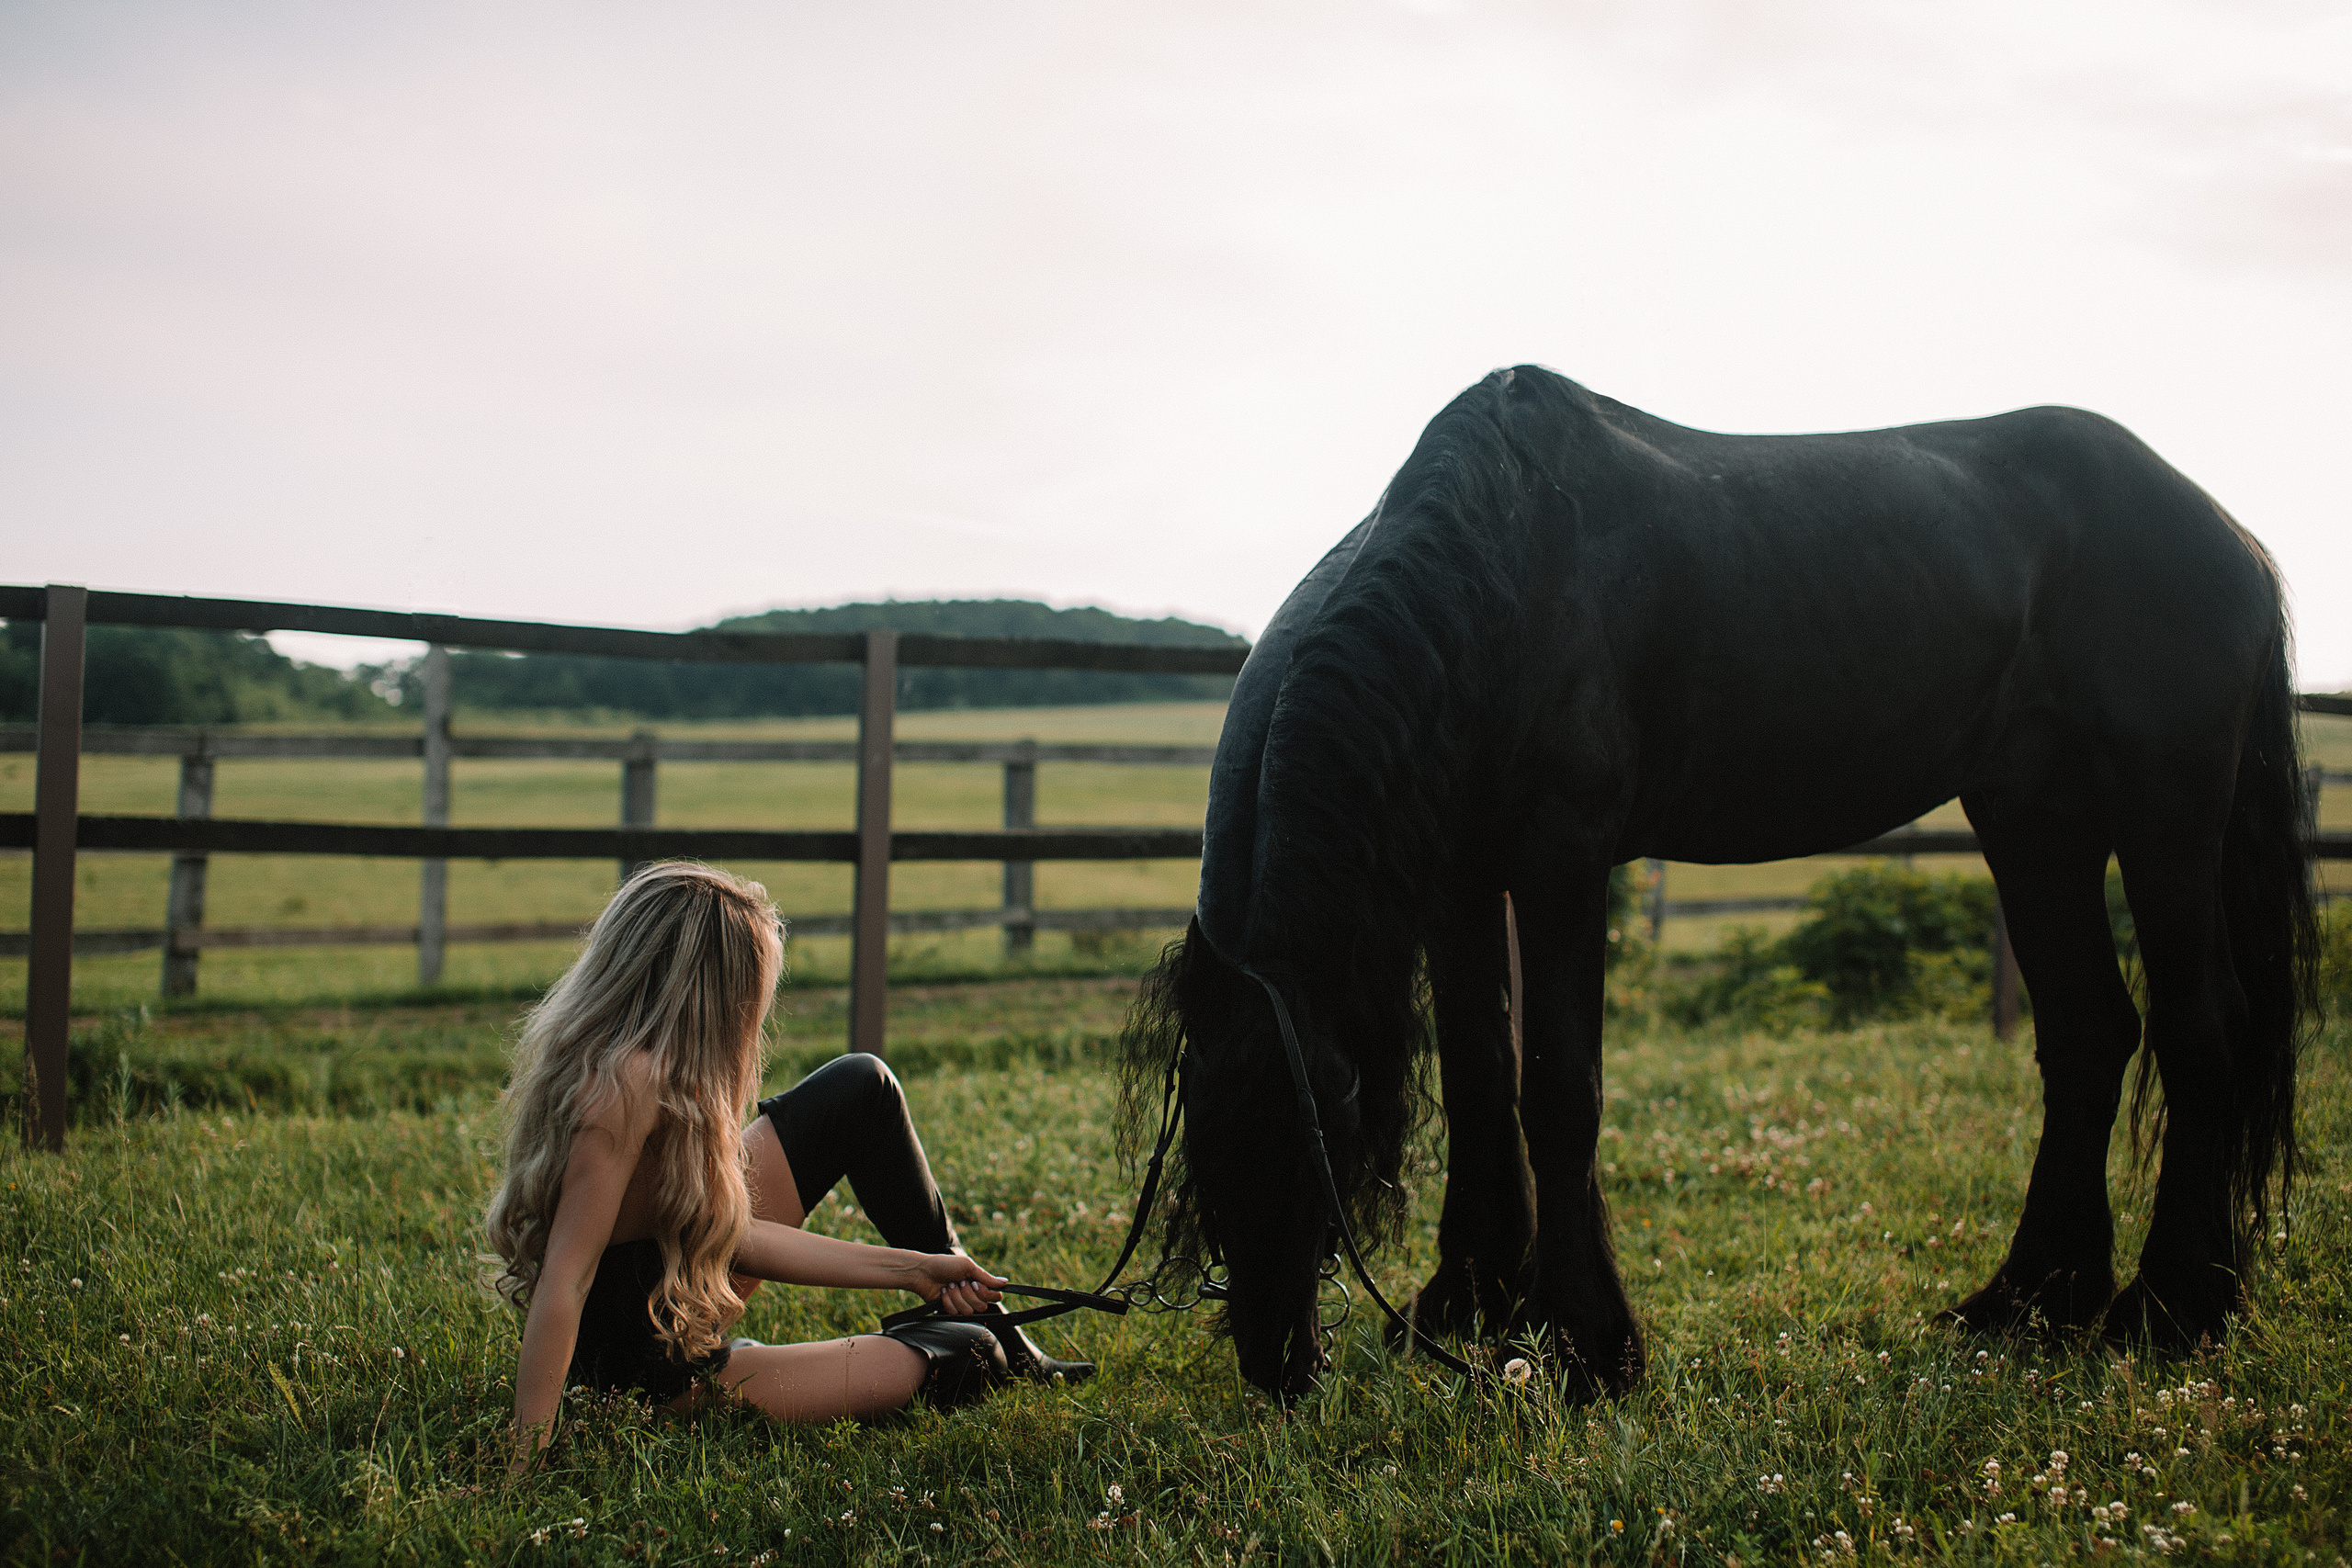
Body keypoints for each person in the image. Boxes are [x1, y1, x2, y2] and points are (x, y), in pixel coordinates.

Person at [486, 862, 1090, 1464]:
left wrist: (917, 1269)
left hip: (674, 1295)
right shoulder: (622, 1087)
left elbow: (737, 1236)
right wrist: (525, 1455)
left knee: (861, 1085)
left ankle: (1002, 1337)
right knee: (972, 1352)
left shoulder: (650, 1071)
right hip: (665, 1382)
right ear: (708, 991)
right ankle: (818, 1363)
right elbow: (567, 1276)